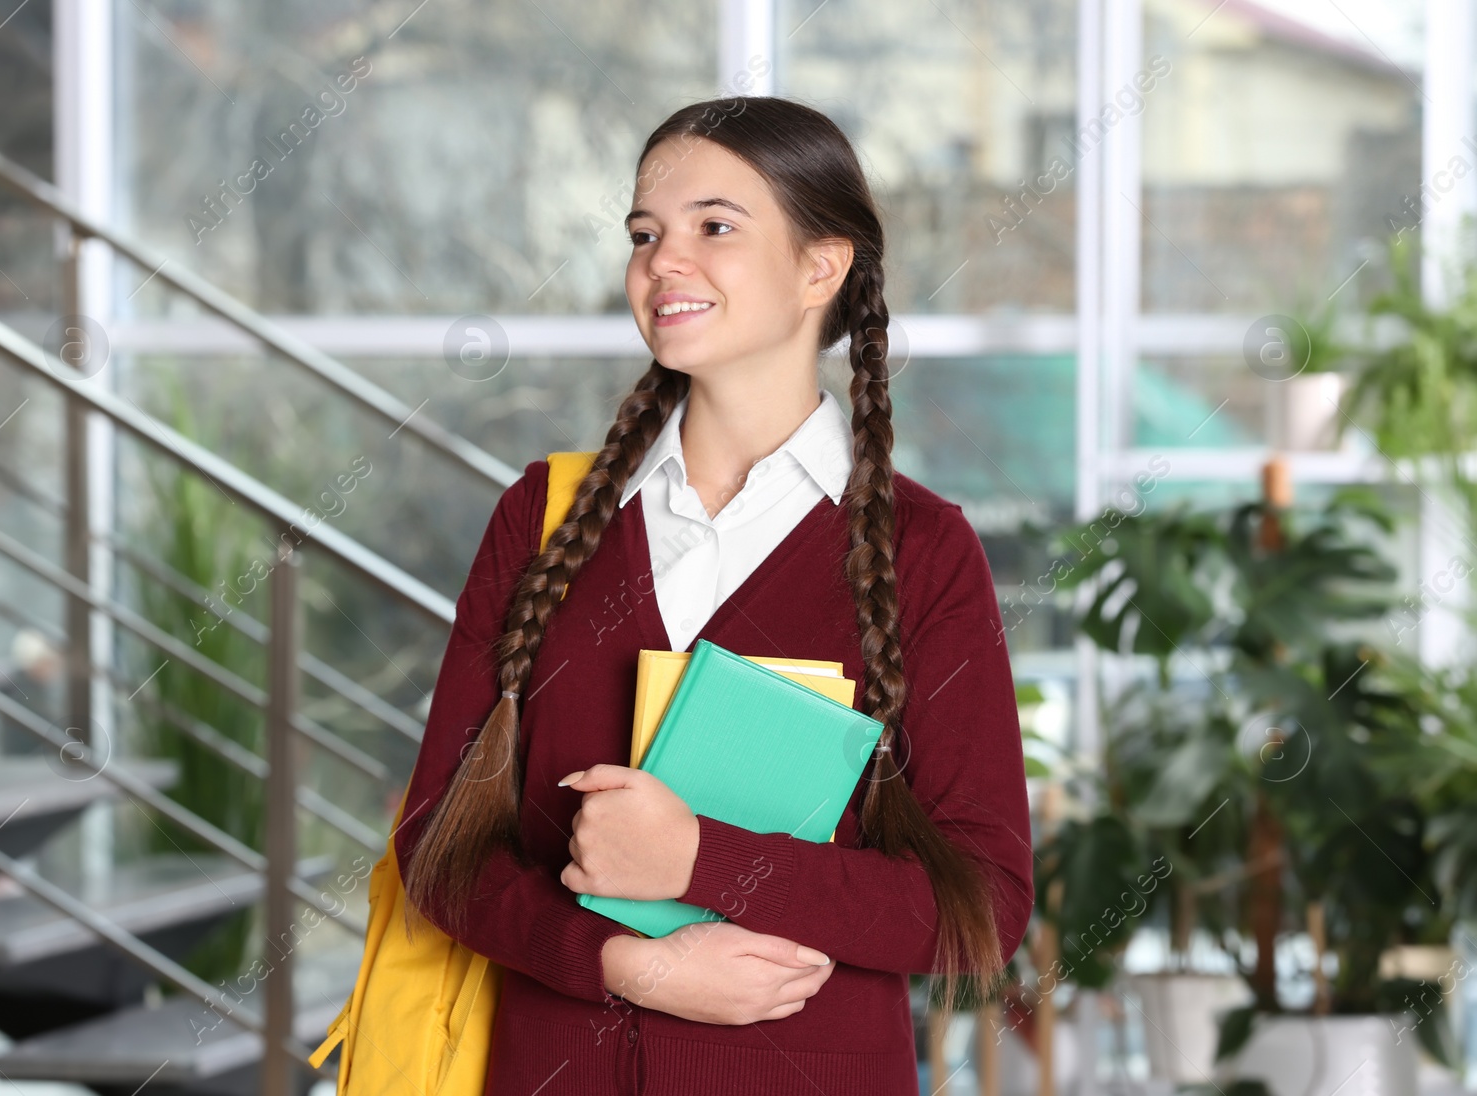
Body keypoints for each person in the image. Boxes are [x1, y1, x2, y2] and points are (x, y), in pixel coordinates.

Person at [396, 95, 1033, 1095]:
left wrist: (701, 856)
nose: (661, 262)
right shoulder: (543, 516)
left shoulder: (923, 550)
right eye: (644, 233)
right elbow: (439, 849)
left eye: (714, 227)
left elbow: (981, 910)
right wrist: (621, 963)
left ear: (820, 266)